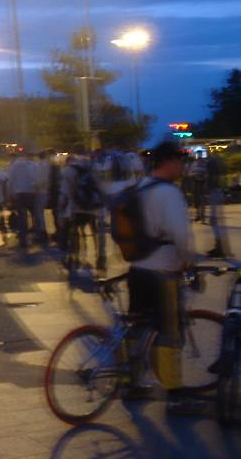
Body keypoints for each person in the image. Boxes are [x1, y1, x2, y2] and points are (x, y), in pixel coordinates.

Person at [127, 141, 204, 414]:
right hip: (163, 273)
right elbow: (180, 235)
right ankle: (175, 396)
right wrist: (189, 261)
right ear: (169, 162)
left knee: (137, 326)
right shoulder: (169, 193)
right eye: (181, 161)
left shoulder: (139, 188)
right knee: (169, 333)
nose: (183, 167)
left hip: (137, 269)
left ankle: (132, 382)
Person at [7, 148, 36, 249]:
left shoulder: (14, 166)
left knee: (22, 215)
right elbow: (35, 178)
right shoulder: (32, 164)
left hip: (19, 194)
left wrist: (10, 194)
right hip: (30, 192)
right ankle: (37, 234)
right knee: (34, 214)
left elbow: (10, 180)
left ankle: (23, 238)